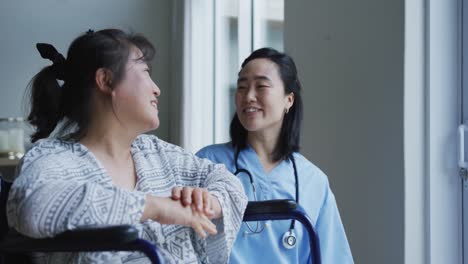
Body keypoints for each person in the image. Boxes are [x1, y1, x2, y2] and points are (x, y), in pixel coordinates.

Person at [7, 29, 247, 263]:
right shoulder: (52, 158)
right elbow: (32, 206)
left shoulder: (159, 154)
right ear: (106, 80)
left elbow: (230, 184)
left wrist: (208, 202)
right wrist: (154, 207)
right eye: (145, 72)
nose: (157, 88)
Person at [196, 48, 353, 263]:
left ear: (289, 99)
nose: (248, 96)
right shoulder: (208, 162)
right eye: (242, 87)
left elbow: (332, 257)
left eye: (261, 86)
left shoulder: (313, 181)